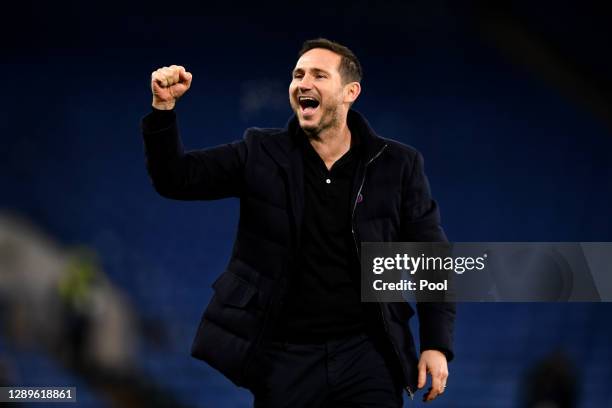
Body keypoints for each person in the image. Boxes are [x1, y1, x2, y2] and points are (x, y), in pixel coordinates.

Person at [141, 38, 455, 407]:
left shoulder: (397, 164)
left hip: (366, 353)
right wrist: (163, 111)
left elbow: (431, 255)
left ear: (350, 92)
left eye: (319, 75)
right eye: (297, 75)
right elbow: (176, 179)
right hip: (285, 357)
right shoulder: (260, 152)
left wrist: (436, 344)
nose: (303, 83)